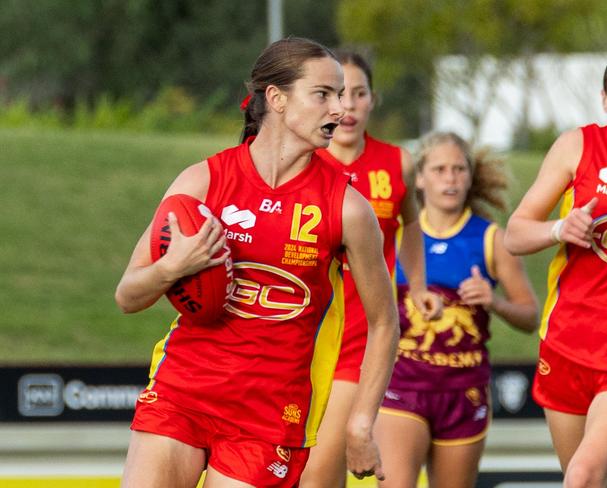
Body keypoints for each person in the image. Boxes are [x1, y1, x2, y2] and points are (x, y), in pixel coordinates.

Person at [115, 37, 399, 488]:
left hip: (270, 417)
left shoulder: (348, 209)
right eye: (323, 94)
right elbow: (127, 295)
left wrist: (361, 422)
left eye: (343, 96)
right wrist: (173, 267)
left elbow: (385, 321)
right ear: (277, 98)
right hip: (182, 392)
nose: (340, 111)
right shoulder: (203, 180)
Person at [504, 45, 607, 488]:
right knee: (585, 477)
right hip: (567, 345)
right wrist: (559, 229)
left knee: (583, 475)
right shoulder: (577, 146)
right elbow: (515, 233)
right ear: (604, 99)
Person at [299, 51, 439, 488]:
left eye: (359, 94)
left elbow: (412, 223)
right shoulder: (305, 162)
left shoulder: (397, 161)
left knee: (321, 472)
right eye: (339, 94)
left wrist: (416, 285)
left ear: (372, 101)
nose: (349, 105)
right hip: (307, 336)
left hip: (364, 339)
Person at [374, 132, 539, 487]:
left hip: (464, 389)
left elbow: (531, 317)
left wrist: (493, 301)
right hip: (403, 383)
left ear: (470, 176)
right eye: (439, 169)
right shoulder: (397, 237)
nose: (450, 178)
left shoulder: (491, 239)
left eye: (459, 169)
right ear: (419, 177)